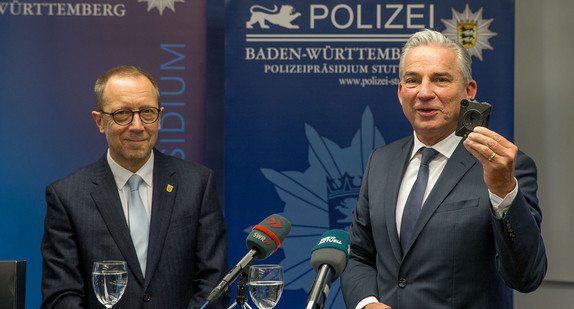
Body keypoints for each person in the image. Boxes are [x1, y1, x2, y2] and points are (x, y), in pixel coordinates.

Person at [340, 29, 547, 309]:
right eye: (413, 80)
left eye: (440, 79)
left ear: (469, 92)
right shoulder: (381, 161)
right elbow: (360, 256)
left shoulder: (506, 167)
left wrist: (504, 191)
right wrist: (366, 303)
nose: (424, 93)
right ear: (401, 93)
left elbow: (526, 277)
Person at [41, 65, 230, 308]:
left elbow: (214, 283)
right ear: (99, 121)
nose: (138, 125)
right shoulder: (66, 196)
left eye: (147, 112)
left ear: (159, 117)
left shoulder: (198, 184)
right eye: (122, 114)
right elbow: (61, 296)